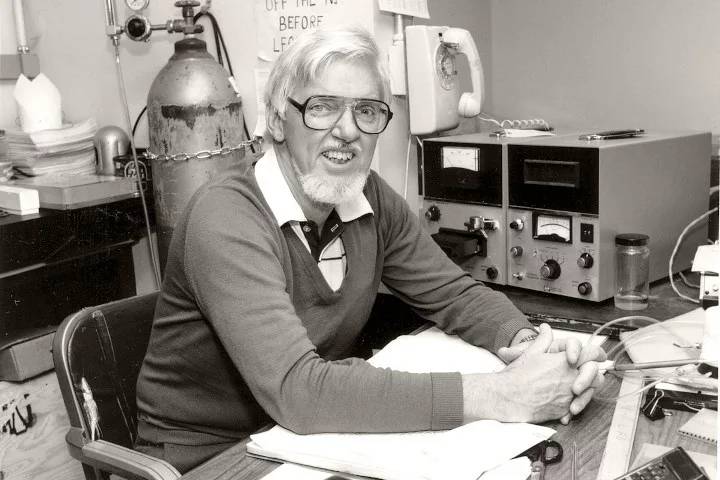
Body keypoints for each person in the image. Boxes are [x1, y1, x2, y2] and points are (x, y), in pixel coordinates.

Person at [135, 24, 606, 473]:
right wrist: (502, 395)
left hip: (307, 442)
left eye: (367, 110)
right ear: (278, 120)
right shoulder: (227, 217)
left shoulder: (371, 199)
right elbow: (297, 391)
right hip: (207, 462)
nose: (348, 131)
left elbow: (455, 295)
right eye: (322, 107)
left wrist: (531, 349)